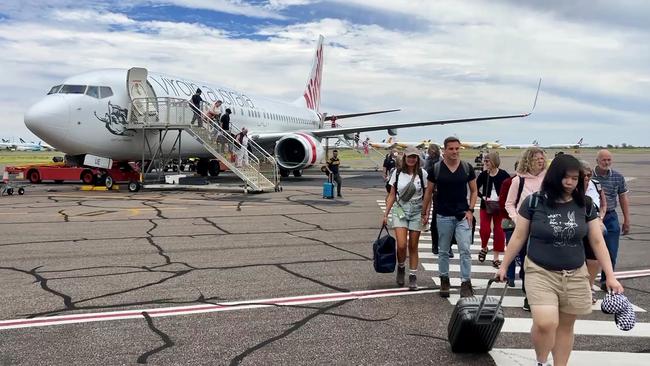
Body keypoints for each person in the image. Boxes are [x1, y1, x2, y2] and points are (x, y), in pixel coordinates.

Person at [496, 154, 623, 366]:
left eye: (575, 178)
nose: (570, 182)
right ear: (554, 176)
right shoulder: (534, 201)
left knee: (565, 326)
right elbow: (519, 236)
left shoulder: (585, 204)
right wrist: (503, 265)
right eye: (566, 177)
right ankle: (541, 360)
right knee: (546, 323)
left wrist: (610, 275)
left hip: (575, 273)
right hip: (540, 271)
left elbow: (597, 241)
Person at [422, 136, 477, 298]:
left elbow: (474, 190)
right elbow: (429, 192)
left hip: (462, 215)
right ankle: (444, 279)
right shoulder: (436, 169)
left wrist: (471, 210)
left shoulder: (467, 168)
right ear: (444, 150)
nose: (454, 151)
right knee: (443, 250)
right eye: (451, 149)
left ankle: (465, 282)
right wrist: (424, 212)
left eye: (457, 148)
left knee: (465, 249)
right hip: (443, 215)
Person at [505, 147, 547, 310]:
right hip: (525, 227)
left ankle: (536, 294)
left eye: (542, 158)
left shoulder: (548, 179)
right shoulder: (518, 180)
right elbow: (509, 203)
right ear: (528, 161)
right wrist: (517, 219)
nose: (540, 161)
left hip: (544, 226)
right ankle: (528, 294)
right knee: (526, 261)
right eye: (536, 158)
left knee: (541, 262)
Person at [383, 146, 428, 290]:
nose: (411, 159)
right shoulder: (396, 173)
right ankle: (401, 267)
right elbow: (391, 195)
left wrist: (426, 212)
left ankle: (413, 276)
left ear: (417, 159)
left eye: (414, 157)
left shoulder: (423, 174)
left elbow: (428, 195)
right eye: (409, 156)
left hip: (417, 210)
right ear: (404, 158)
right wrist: (386, 214)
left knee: (413, 245)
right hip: (400, 208)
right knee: (401, 245)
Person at [593, 149, 630, 290]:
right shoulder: (589, 176)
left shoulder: (618, 177)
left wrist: (627, 219)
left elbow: (623, 198)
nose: (607, 162)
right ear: (597, 161)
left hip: (610, 216)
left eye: (609, 160)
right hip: (593, 217)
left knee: (612, 251)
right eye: (604, 160)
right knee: (590, 253)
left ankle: (606, 280)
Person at [476, 151, 510, 268]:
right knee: (484, 230)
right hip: (486, 205)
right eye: (484, 161)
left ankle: (496, 258)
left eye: (487, 161)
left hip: (500, 206)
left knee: (499, 231)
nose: (485, 163)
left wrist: (503, 199)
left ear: (494, 161)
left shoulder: (503, 174)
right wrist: (483, 197)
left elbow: (510, 189)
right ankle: (484, 247)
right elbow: (475, 187)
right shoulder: (484, 174)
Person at [580, 160, 607, 304]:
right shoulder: (572, 186)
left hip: (594, 223)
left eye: (589, 175)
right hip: (578, 223)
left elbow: (603, 204)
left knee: (594, 260)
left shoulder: (596, 185)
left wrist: (601, 218)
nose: (586, 178)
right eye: (583, 175)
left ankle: (589, 287)